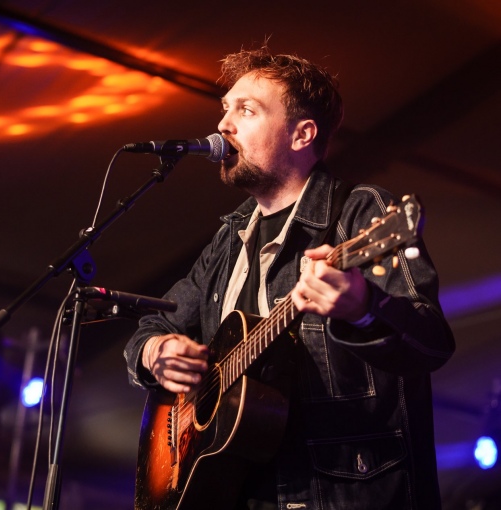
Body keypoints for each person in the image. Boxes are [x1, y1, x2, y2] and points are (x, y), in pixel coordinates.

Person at [124, 46, 455, 509]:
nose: (223, 125)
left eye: (247, 110)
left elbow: (432, 342)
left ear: (302, 134)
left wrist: (365, 308)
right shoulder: (230, 239)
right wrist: (156, 352)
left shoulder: (360, 213)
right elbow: (154, 325)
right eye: (225, 109)